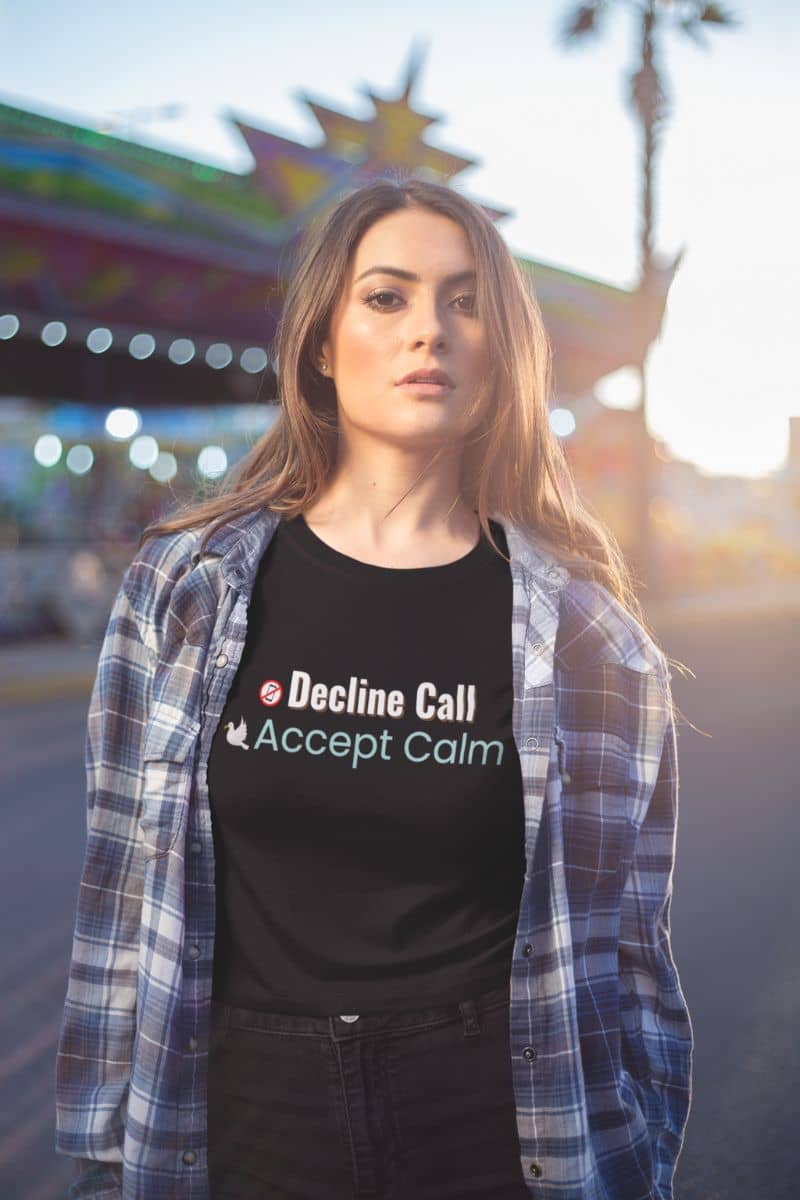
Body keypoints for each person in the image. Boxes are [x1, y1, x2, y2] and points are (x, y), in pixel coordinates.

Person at [55, 177, 692, 1199]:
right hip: (240, 1119)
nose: (427, 332)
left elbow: (626, 955)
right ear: (319, 340)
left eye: (464, 301)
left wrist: (633, 1163)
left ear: (502, 348)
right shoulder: (186, 585)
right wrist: (101, 1151)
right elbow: (122, 886)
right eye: (386, 297)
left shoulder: (585, 637)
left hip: (494, 1127)